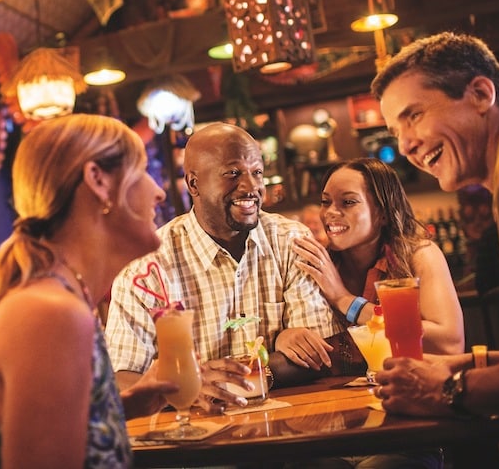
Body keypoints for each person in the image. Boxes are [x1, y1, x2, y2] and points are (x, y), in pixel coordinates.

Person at [0, 114, 182, 468]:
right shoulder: (51, 314)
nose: (159, 190)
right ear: (98, 180)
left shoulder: (56, 297)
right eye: (141, 170)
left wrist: (119, 409)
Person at [105, 122, 343, 409]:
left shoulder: (291, 241)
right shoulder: (146, 267)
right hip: (197, 442)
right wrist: (188, 385)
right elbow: (122, 377)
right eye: (233, 173)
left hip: (292, 434)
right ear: (194, 183)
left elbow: (318, 354)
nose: (251, 187)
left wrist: (227, 380)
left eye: (257, 173)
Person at [371, 31, 499, 417]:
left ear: (481, 95)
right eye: (396, 133)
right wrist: (466, 365)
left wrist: (447, 389)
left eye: (413, 116)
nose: (405, 146)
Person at [293, 158, 464, 357]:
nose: (330, 212)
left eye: (348, 202)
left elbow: (449, 343)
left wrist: (345, 300)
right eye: (325, 202)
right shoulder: (319, 265)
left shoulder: (419, 255)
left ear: (383, 212)